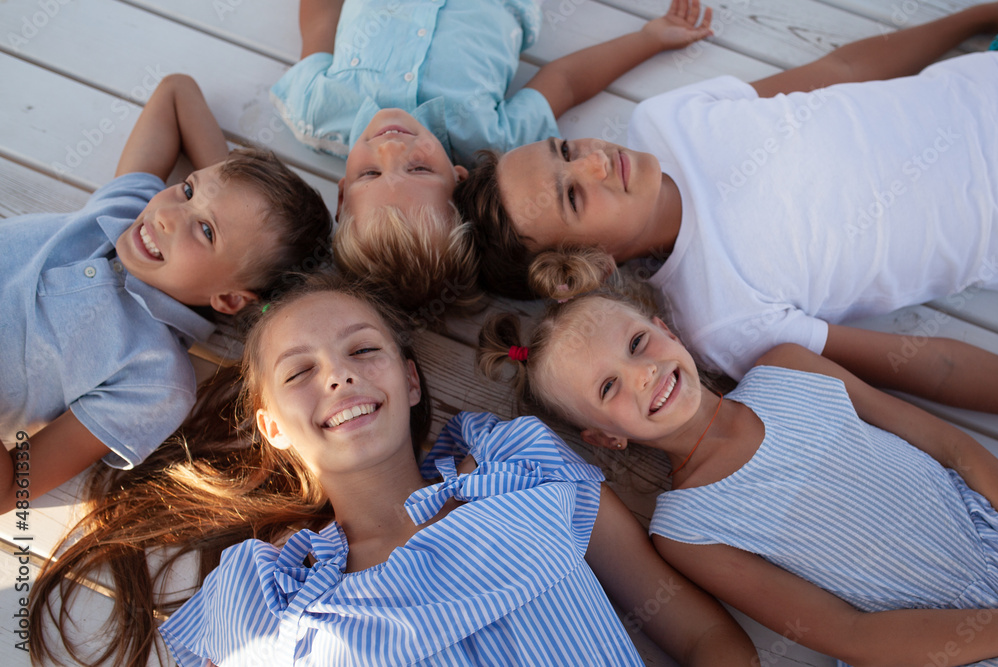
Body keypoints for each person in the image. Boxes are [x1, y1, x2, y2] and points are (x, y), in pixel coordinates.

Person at [29, 272, 757, 666]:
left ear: (411, 380)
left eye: (362, 350)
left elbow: (702, 637)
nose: (339, 378)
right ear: (272, 427)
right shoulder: (270, 599)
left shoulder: (521, 468)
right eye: (301, 372)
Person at [456, 3, 998, 414]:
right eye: (573, 197)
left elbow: (844, 67)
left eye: (567, 151)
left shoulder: (668, 120)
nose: (595, 163)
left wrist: (977, 17)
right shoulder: (720, 317)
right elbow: (923, 364)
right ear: (582, 266)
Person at [478, 280, 998, 666]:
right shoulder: (687, 532)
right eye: (608, 388)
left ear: (666, 330)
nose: (644, 375)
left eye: (637, 344)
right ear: (605, 437)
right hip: (938, 646)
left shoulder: (790, 368)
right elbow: (852, 634)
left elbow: (950, 445)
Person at [0, 73, 333, 514]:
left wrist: (243, 239)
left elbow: (13, 489)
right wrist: (236, 192)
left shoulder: (153, 379)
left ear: (232, 300)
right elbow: (177, 92)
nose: (168, 215)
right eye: (189, 188)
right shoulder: (128, 207)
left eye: (207, 231)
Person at [272, 0, 713, 311]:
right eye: (419, 168)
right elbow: (563, 82)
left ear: (343, 195)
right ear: (462, 179)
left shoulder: (316, 111)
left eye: (370, 173)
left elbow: (320, 19)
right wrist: (649, 38)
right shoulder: (504, 152)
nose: (390, 147)